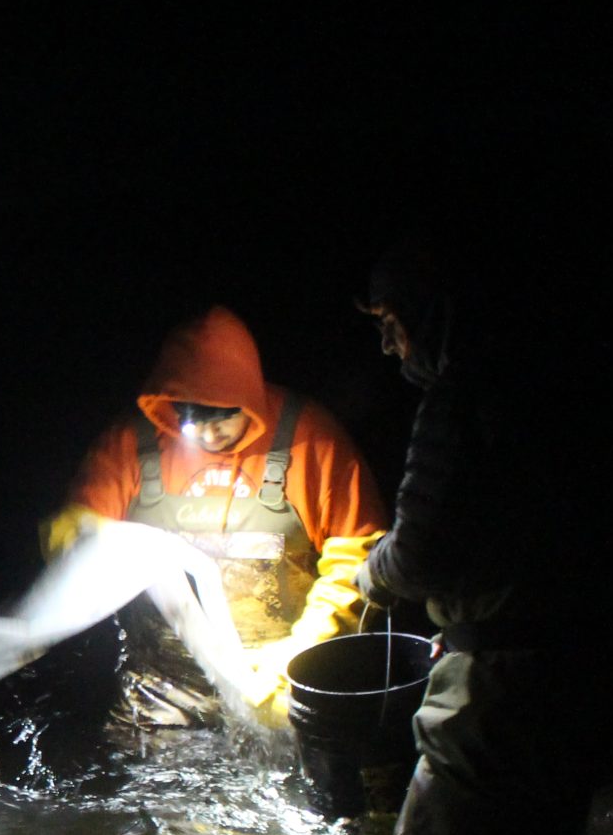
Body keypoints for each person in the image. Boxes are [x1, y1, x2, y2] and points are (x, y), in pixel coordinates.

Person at [350, 241, 613, 835]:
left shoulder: (460, 399)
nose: (389, 347)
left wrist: (370, 572)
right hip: (583, 668)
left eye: (391, 324)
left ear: (433, 315)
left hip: (497, 679)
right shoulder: (565, 385)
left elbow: (416, 555)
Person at [43, 304, 388, 729]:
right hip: (160, 695)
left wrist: (298, 660)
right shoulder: (133, 442)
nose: (207, 435)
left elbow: (361, 562)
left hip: (275, 684)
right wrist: (75, 538)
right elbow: (74, 531)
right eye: (191, 420)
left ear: (248, 400)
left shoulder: (310, 440)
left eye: (222, 418)